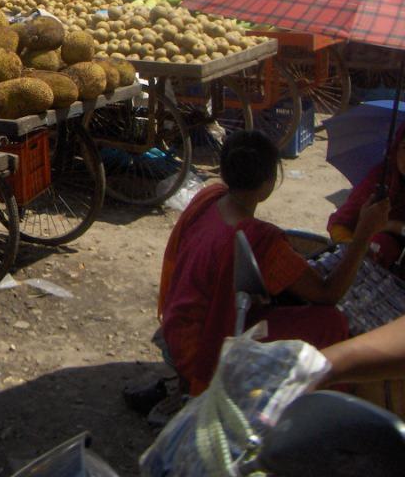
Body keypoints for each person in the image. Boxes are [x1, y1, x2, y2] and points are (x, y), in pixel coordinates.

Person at [159, 130, 387, 395]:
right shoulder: (259, 238)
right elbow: (328, 294)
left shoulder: (208, 199)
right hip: (205, 347)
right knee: (331, 322)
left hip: (179, 324)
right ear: (268, 183)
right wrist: (364, 236)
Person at [328, 125, 405, 269]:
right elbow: (341, 224)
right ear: (396, 149)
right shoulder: (381, 178)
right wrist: (357, 250)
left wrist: (397, 227)